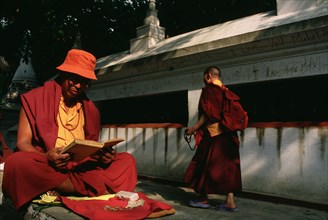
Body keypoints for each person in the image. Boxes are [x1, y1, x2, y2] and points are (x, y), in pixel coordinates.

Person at [2, 49, 137, 212]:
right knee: (18, 163)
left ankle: (62, 188)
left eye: (85, 81)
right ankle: (86, 188)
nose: (79, 86)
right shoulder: (35, 98)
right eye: (74, 79)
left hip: (79, 168)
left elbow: (91, 147)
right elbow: (22, 143)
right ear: (63, 74)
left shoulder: (90, 109)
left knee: (126, 161)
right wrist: (46, 156)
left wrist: (104, 157)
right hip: (47, 164)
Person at [184, 66, 242, 212]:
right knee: (229, 167)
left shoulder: (209, 91)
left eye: (204, 77)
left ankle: (203, 199)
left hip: (214, 135)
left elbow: (207, 115)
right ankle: (230, 202)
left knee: (203, 163)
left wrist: (194, 128)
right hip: (230, 135)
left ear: (208, 76)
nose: (204, 81)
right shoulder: (227, 91)